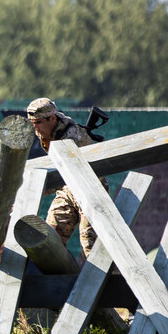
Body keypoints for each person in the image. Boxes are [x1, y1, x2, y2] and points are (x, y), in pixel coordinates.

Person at [26, 97, 107, 258]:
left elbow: (65, 174)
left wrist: (31, 194)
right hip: (69, 189)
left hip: (91, 190)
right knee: (50, 240)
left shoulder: (70, 138)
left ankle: (110, 282)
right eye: (32, 122)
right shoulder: (50, 129)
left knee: (91, 248)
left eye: (39, 122)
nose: (35, 127)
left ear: (53, 118)